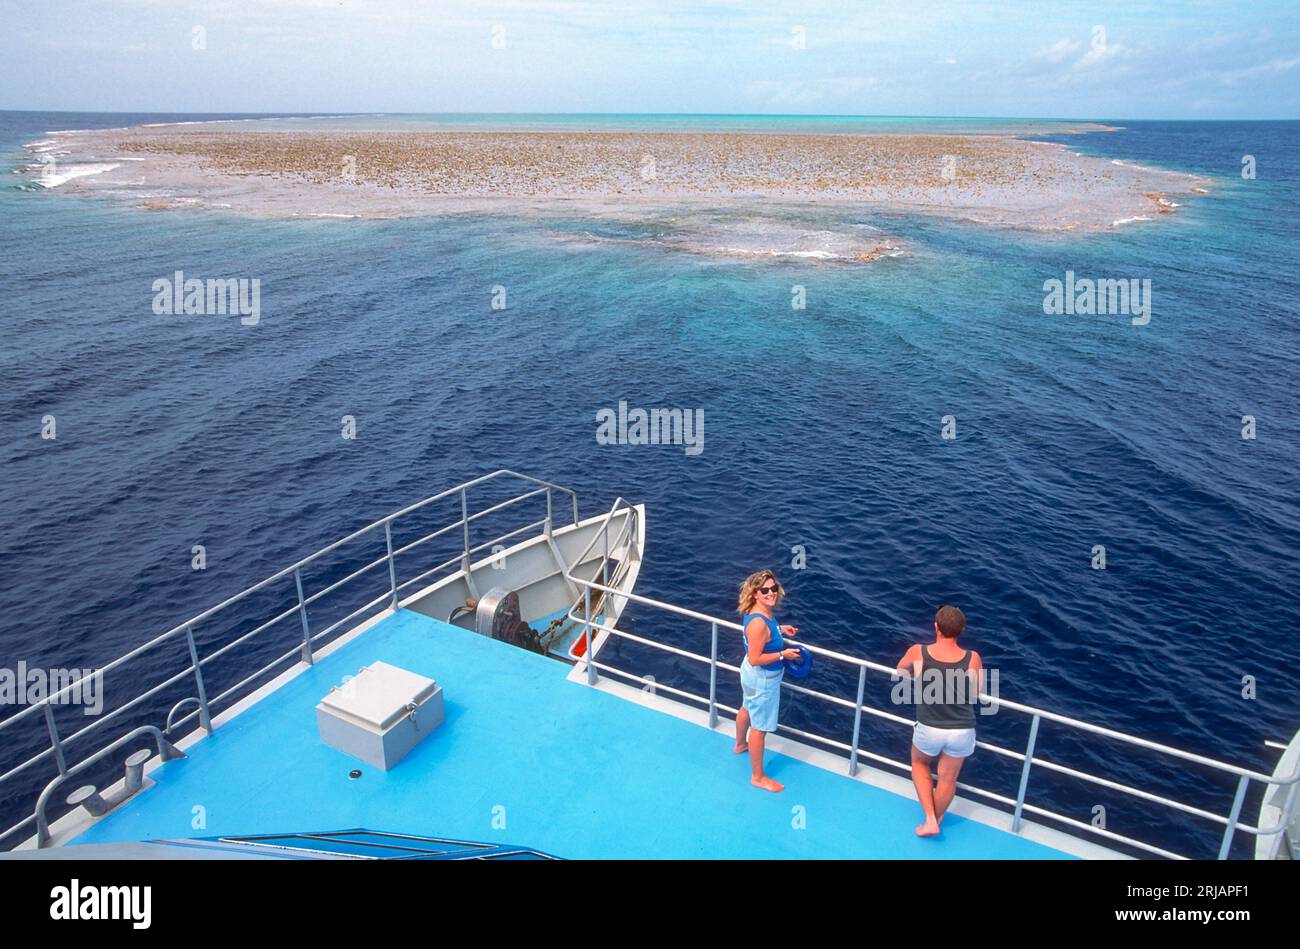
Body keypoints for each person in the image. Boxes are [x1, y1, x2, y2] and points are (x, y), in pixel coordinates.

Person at [895, 605, 983, 836]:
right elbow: (975, 692)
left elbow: (900, 672)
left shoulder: (918, 652)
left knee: (920, 763)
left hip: (929, 726)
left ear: (936, 627)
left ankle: (930, 819)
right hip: (962, 729)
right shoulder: (973, 658)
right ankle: (937, 817)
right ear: (961, 630)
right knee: (948, 777)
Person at [734, 569, 801, 792]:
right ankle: (758, 776)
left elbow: (764, 636)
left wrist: (781, 631)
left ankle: (739, 744)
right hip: (762, 679)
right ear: (755, 594)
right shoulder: (759, 623)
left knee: (746, 707)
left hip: (753, 678)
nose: (771, 593)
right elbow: (755, 658)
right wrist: (784, 654)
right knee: (760, 728)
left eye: (773, 588)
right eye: (765, 590)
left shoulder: (761, 614)